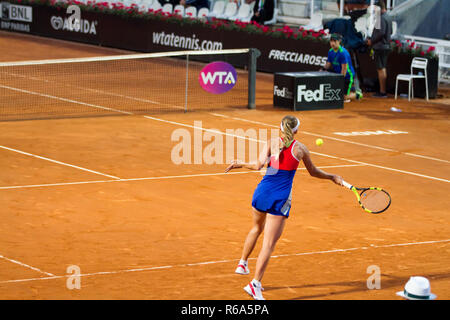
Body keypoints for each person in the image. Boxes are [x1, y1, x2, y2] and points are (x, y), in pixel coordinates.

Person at [225, 116, 344, 300]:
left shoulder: (272, 143)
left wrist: (240, 163)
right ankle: (254, 284)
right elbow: (313, 172)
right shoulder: (300, 149)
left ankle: (242, 263)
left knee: (256, 228)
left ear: (280, 128)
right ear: (296, 130)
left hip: (261, 193)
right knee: (269, 245)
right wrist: (332, 176)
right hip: (279, 200)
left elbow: (257, 166)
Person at [322, 33, 363, 102]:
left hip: (347, 76)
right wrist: (322, 70)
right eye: (331, 41)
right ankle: (351, 89)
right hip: (337, 74)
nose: (332, 43)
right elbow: (328, 64)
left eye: (335, 41)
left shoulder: (343, 53)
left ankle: (357, 94)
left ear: (339, 41)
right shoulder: (330, 51)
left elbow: (344, 68)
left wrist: (340, 80)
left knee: (343, 98)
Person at [366, 0, 391, 98]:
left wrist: (371, 41)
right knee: (383, 68)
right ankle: (383, 91)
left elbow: (380, 33)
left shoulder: (380, 18)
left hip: (379, 47)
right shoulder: (388, 18)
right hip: (385, 46)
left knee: (380, 69)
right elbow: (389, 31)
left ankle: (382, 91)